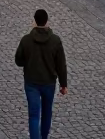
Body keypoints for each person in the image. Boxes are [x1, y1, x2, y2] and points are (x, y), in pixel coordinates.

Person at [14, 9, 67, 139]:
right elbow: (61, 64)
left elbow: (18, 61)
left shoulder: (26, 40)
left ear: (34, 21)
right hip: (49, 82)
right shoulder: (55, 41)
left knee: (33, 115)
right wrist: (63, 84)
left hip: (31, 82)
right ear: (47, 21)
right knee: (46, 112)